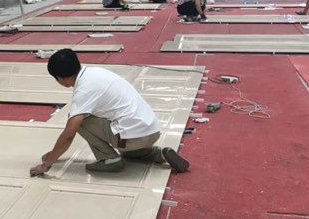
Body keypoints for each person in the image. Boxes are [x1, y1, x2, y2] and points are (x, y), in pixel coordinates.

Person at [29, 49, 189, 176]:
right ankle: (159, 154)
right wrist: (54, 153)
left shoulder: (83, 91)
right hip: (152, 131)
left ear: (60, 78)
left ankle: (109, 160)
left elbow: (68, 135)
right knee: (124, 145)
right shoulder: (96, 72)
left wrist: (47, 164)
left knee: (79, 120)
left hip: (133, 137)